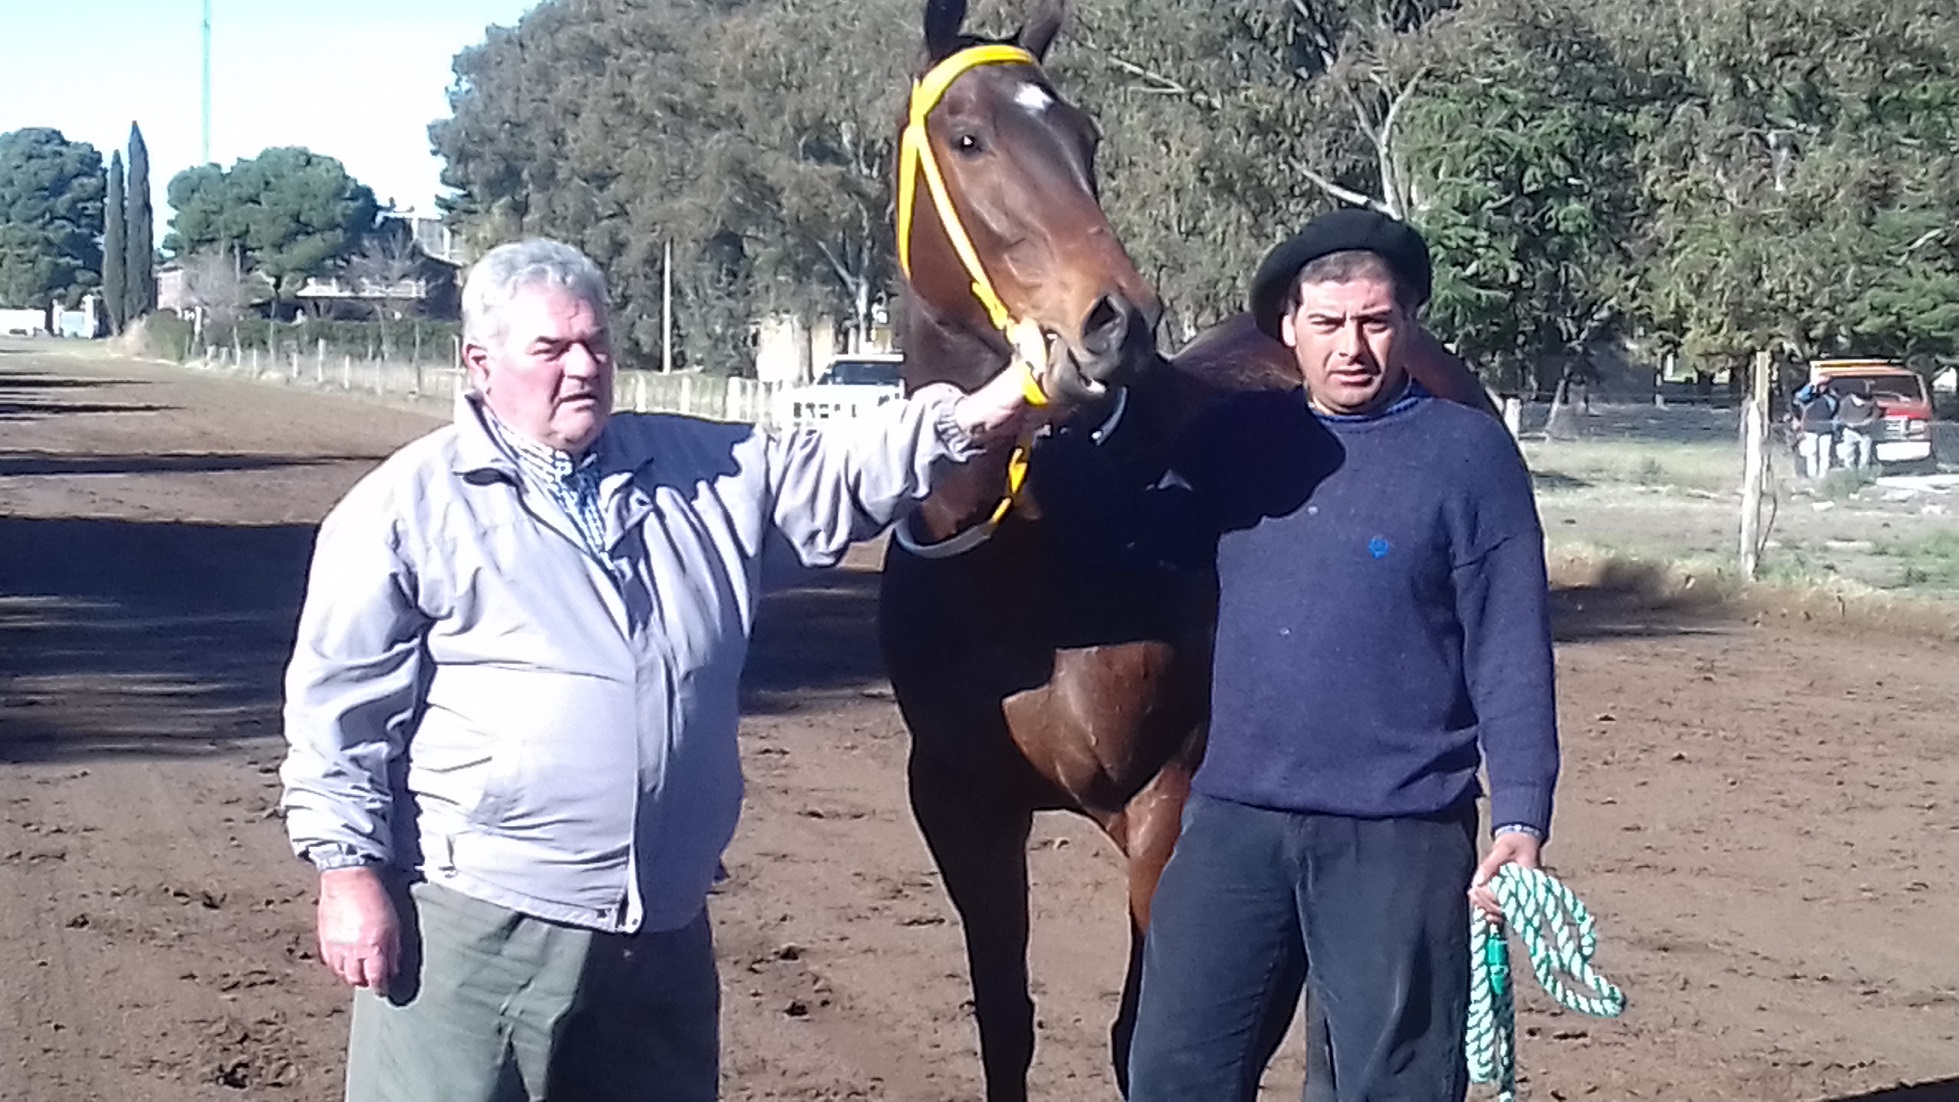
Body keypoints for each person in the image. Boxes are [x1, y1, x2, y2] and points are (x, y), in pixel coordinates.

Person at [278, 238, 1036, 1102]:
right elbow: (340, 710)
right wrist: (347, 872)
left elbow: (835, 468)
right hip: (479, 925)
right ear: (479, 365)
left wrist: (979, 413)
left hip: (660, 934)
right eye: (552, 348)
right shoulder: (405, 507)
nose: (583, 367)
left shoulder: (695, 472)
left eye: (596, 343)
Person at [1049, 209, 1560, 1102]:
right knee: (1170, 1072)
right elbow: (1134, 544)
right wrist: (1057, 440)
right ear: (1288, 328)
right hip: (1235, 823)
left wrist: (1520, 813)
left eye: (1374, 321)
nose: (1351, 346)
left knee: (1389, 1087)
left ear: (1406, 323)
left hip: (1399, 832)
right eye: (1327, 322)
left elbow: (1509, 643)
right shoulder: (1236, 439)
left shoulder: (1468, 456)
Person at [1793, 376, 1840, 479]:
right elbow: (1799, 396)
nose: (1822, 388)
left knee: (1824, 454)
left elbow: (1833, 411)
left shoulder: (1831, 399)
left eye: (1824, 386)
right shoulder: (1809, 398)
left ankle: (1823, 475)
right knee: (1811, 453)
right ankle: (1812, 475)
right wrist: (1811, 384)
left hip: (1825, 429)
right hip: (1810, 428)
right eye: (1820, 386)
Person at [1835, 386, 1881, 471]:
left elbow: (1876, 413)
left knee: (1865, 451)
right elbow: (1841, 416)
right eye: (1859, 399)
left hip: (1865, 430)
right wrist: (1849, 423)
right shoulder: (1846, 402)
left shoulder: (1871, 401)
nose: (1862, 402)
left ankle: (1863, 469)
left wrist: (1868, 421)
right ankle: (1849, 469)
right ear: (1853, 396)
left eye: (1864, 400)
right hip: (1849, 429)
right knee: (1848, 450)